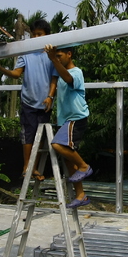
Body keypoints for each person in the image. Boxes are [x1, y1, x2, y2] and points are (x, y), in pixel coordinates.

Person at [0, 19, 58, 181]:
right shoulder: (26, 53)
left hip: (45, 102)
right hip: (28, 100)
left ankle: (34, 167)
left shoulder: (52, 55)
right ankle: (27, 167)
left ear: (46, 35)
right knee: (28, 134)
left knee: (40, 136)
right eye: (33, 34)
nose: (35, 37)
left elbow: (55, 78)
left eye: (39, 34)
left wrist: (50, 97)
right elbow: (16, 74)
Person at [44, 43, 93, 208]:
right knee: (68, 160)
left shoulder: (76, 72)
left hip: (76, 118)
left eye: (59, 56)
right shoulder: (60, 73)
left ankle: (84, 166)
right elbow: (58, 78)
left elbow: (68, 78)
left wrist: (52, 59)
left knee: (58, 145)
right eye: (55, 56)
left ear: (69, 54)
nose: (57, 59)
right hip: (66, 120)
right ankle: (81, 195)